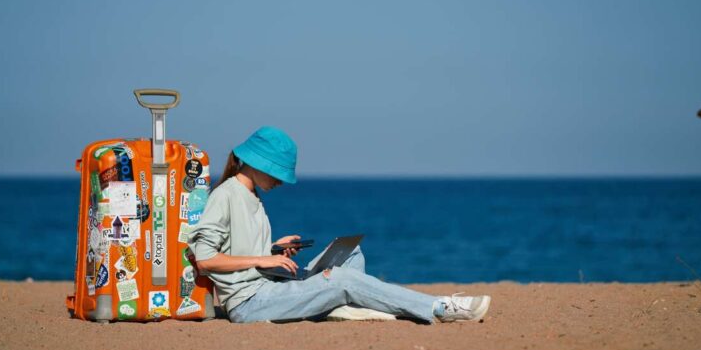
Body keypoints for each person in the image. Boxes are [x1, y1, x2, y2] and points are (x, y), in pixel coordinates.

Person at [187, 126, 491, 323]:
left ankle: (336, 307)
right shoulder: (226, 195)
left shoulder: (251, 195)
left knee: (351, 254)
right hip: (251, 302)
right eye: (277, 173)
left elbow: (236, 247)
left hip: (270, 285)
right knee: (343, 281)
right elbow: (206, 259)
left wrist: (274, 248)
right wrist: (262, 258)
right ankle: (440, 307)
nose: (280, 181)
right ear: (256, 164)